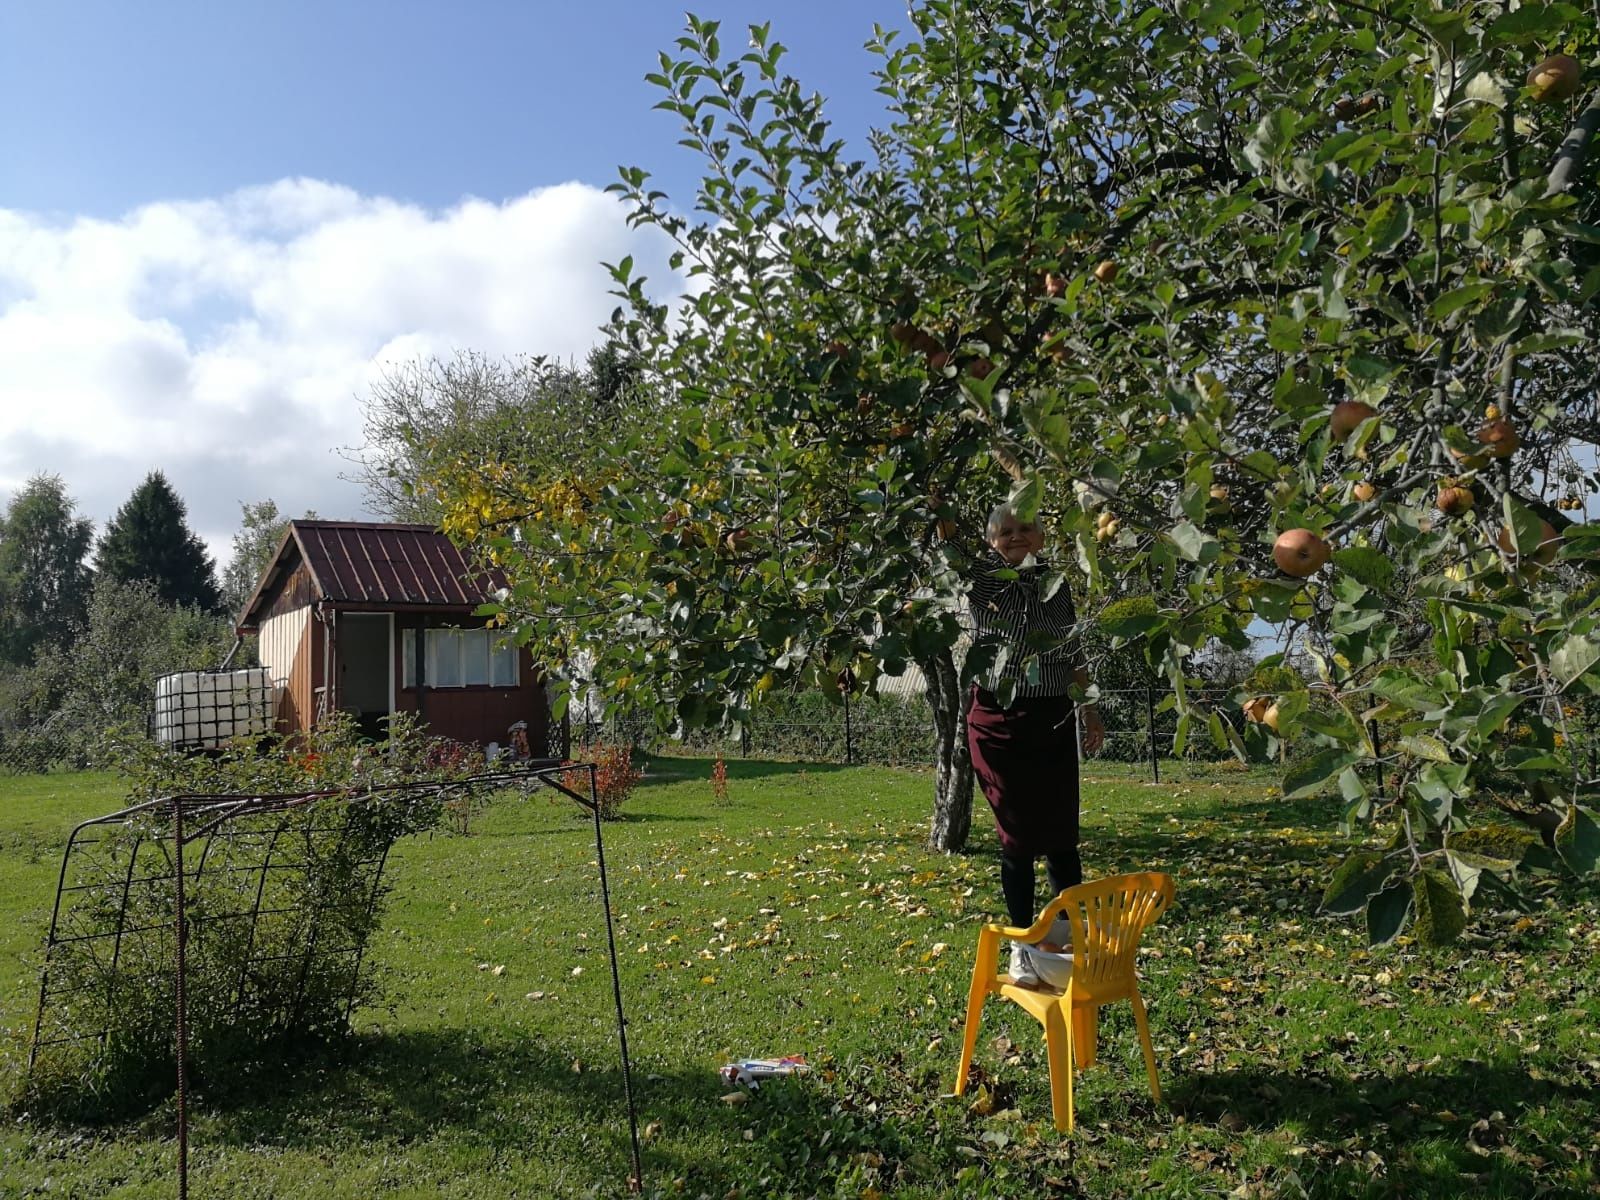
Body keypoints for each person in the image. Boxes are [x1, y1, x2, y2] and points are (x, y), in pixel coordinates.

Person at [965, 502, 1104, 987]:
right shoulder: (981, 580)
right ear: (991, 540)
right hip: (997, 718)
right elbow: (946, 546)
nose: (1016, 537)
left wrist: (1088, 709)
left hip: (1051, 716)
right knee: (1018, 837)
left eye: (1026, 529)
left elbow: (1073, 650)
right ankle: (1024, 945)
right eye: (1005, 531)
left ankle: (1068, 940)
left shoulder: (1058, 584)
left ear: (1042, 537)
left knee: (1062, 835)